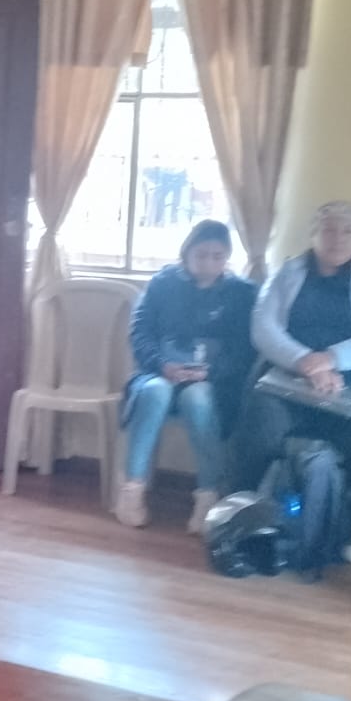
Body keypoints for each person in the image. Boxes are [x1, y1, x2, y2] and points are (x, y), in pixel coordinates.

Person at [233, 201, 351, 565]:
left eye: (348, 231)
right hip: (289, 374)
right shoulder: (289, 272)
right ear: (313, 234)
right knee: (259, 428)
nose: (337, 238)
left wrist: (331, 359)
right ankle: (238, 513)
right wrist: (305, 362)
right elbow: (263, 327)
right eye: (328, 229)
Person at [116, 220, 256, 533]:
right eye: (201, 255)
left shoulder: (242, 293)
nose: (209, 263)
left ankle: (207, 495)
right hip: (159, 372)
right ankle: (132, 489)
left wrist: (210, 372)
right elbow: (140, 333)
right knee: (155, 392)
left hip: (211, 381)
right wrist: (162, 364)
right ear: (187, 253)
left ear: (227, 257)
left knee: (198, 397)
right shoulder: (163, 283)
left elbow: (244, 350)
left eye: (218, 256)